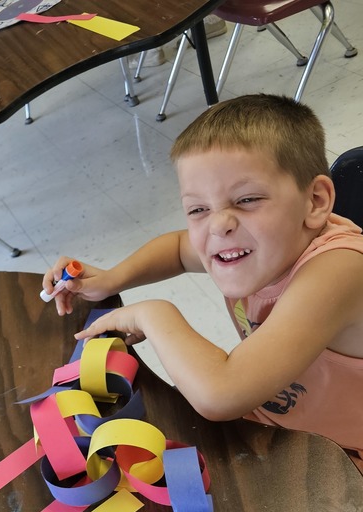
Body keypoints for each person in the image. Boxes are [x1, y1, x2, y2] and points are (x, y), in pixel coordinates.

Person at [43, 94, 363, 470]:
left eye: (246, 199)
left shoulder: (340, 269)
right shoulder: (260, 247)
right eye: (198, 209)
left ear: (315, 201)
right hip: (276, 428)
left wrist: (154, 315)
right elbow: (179, 248)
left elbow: (222, 393)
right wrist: (113, 278)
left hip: (343, 459)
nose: (218, 224)